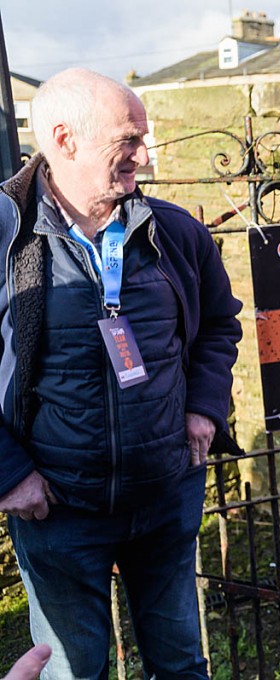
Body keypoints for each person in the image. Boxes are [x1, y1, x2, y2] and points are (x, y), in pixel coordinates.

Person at [0, 69, 243, 677]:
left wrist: (204, 409)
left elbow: (219, 323)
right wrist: (8, 473)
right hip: (56, 510)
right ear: (66, 139)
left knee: (183, 663)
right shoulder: (5, 235)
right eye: (128, 139)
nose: (145, 154)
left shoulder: (174, 231)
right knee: (73, 671)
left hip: (166, 496)